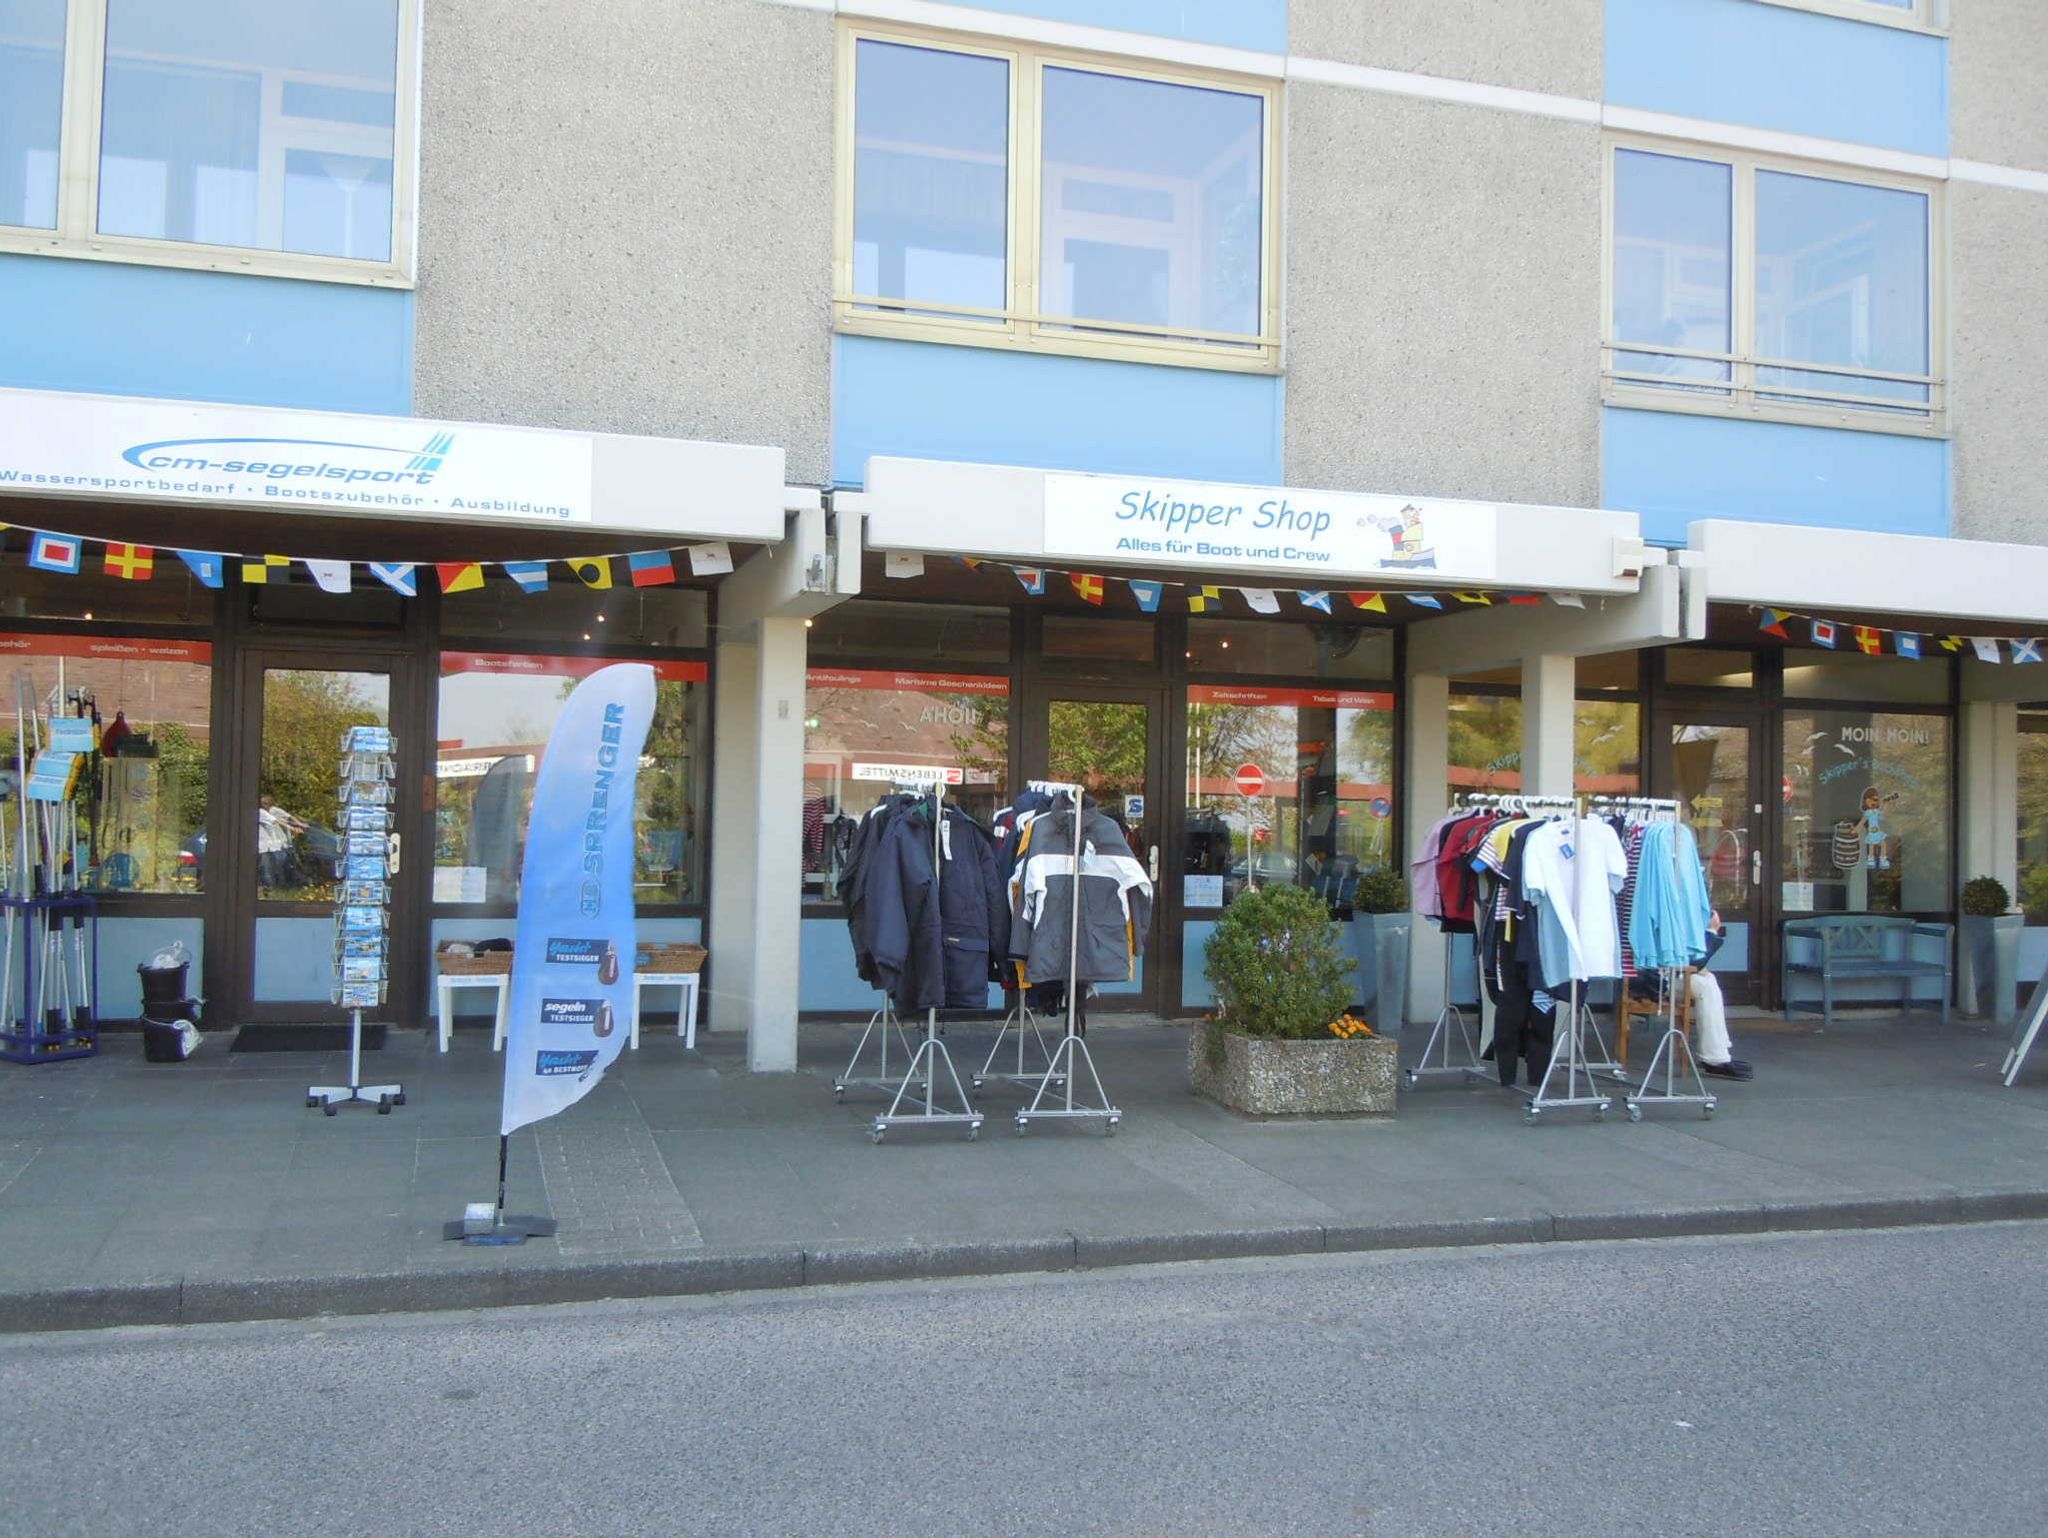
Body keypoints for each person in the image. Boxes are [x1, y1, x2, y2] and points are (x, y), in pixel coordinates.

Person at [1689, 911, 1753, 1081]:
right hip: (1656, 977)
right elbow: (1693, 961)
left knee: (1708, 980)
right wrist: (1711, 931)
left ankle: (1718, 1053)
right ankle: (1714, 1057)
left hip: (1665, 972)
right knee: (1704, 986)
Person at [257, 794, 306, 892]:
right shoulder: (261, 812)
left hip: (274, 845)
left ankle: (278, 888)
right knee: (269, 868)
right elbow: (277, 821)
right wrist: (294, 828)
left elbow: (283, 819)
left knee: (274, 867)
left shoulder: (271, 811)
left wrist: (298, 825)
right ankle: (274, 889)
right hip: (267, 846)